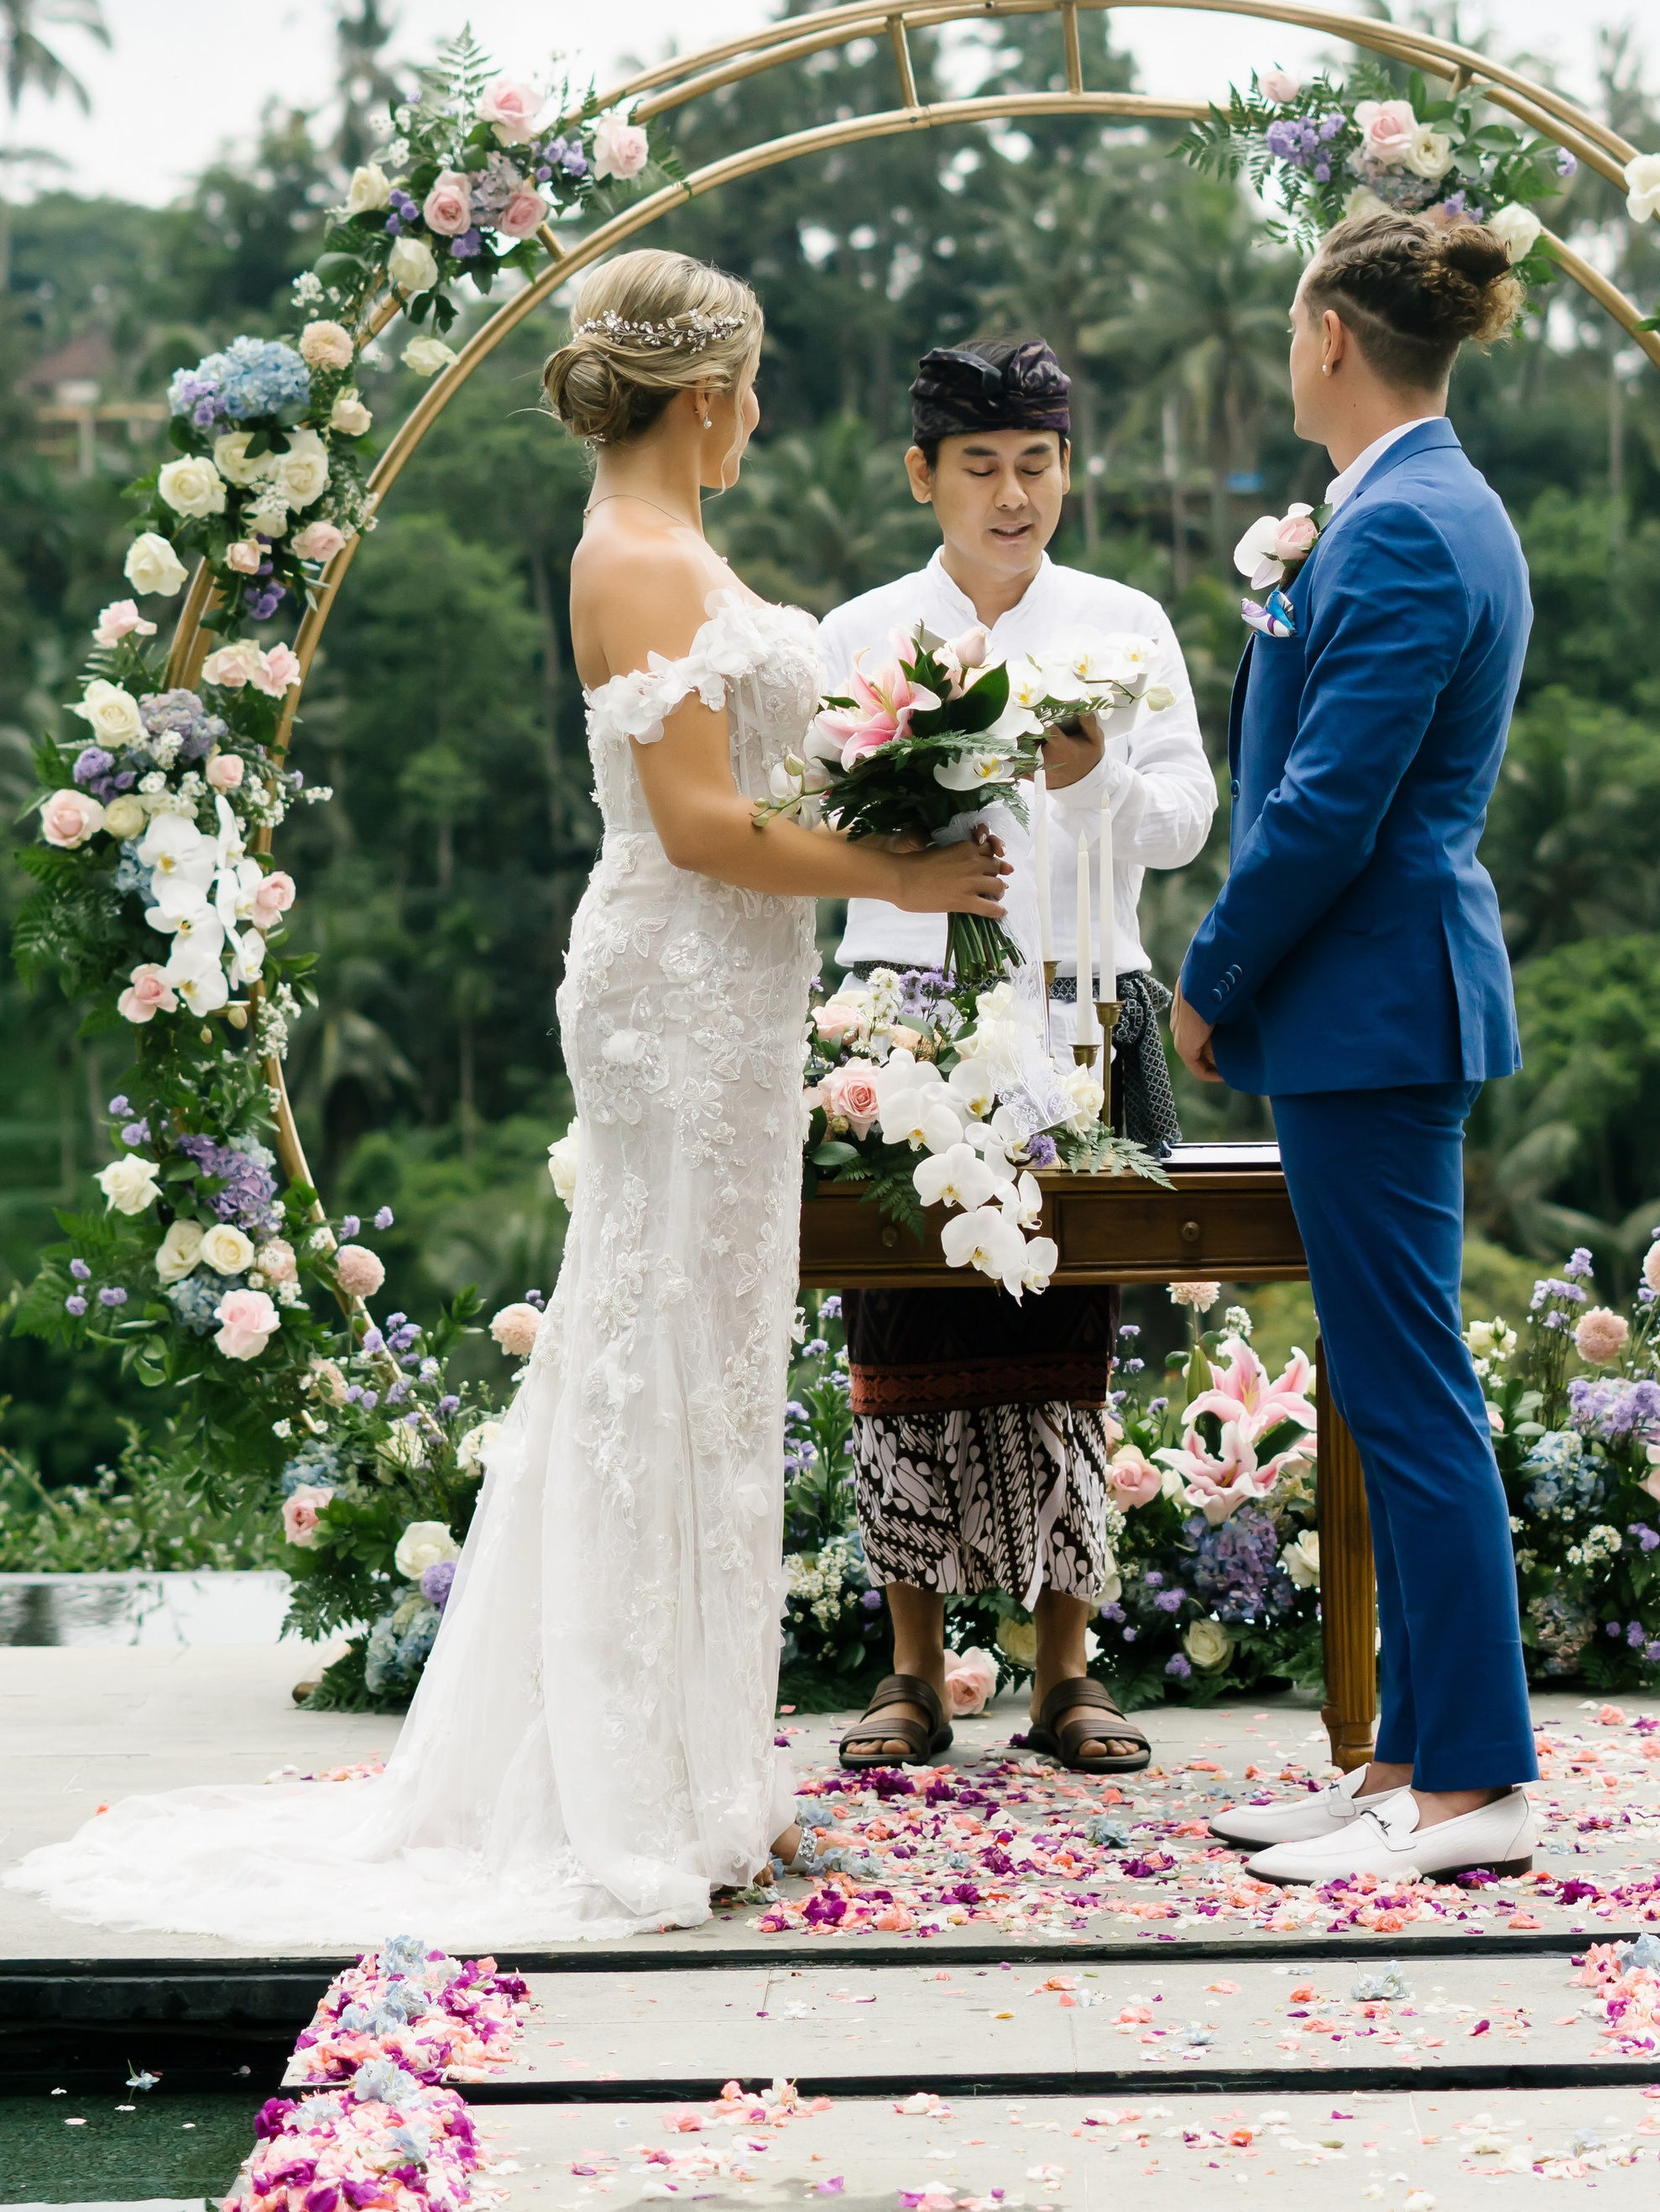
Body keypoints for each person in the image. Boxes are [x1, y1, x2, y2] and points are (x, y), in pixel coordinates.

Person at [6, 251, 1007, 1945]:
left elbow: (766, 765)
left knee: (707, 1356)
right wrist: (899, 880)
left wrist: (934, 760)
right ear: (701, 399)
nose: (756, 417)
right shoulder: (629, 555)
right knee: (651, 1359)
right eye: (748, 390)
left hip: (733, 991)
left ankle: (688, 1760)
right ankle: (621, 1787)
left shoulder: (674, 541)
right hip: (675, 991)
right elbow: (696, 823)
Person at [1173, 204, 1540, 1886]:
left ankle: (1474, 1790)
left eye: (1284, 322)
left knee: (1408, 1400)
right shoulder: (1418, 504)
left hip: (1373, 1005)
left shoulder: (1400, 526)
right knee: (1392, 1391)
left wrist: (1210, 973)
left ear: (1328, 333)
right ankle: (1400, 1761)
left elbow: (1328, 807)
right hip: (1377, 1005)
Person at [819, 334, 1214, 1779]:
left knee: (1070, 1348)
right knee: (896, 1334)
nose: (1011, 495)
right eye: (980, 468)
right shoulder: (856, 632)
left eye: (1036, 466)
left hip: (1087, 1020)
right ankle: (913, 1672)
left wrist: (1090, 770)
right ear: (924, 475)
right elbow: (806, 824)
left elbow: (1186, 822)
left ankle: (1067, 1672)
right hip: (899, 1021)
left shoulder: (1124, 623)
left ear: (1068, 470)